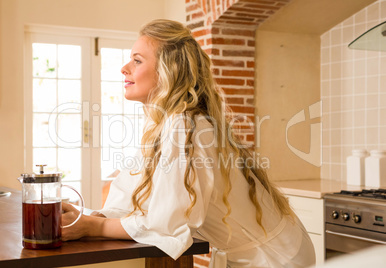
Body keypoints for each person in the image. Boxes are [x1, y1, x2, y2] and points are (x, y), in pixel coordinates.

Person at [62, 19, 316, 267]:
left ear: (167, 72)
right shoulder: (163, 124)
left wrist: (95, 226)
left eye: (137, 60)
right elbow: (129, 191)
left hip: (276, 258)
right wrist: (87, 218)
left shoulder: (186, 127)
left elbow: (167, 224)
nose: (124, 68)